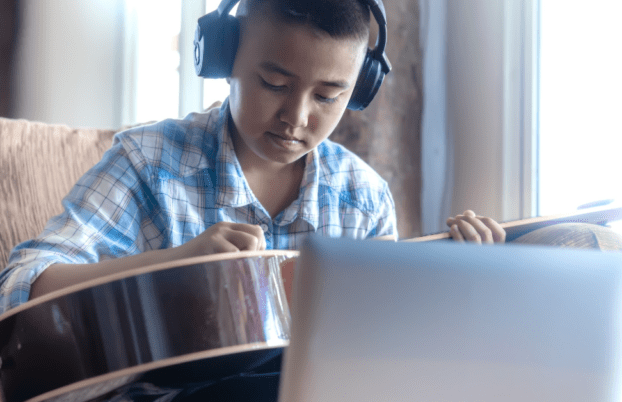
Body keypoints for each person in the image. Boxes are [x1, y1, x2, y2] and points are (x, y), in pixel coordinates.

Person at [0, 0, 505, 399]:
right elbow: (25, 283)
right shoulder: (147, 161)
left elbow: (381, 350)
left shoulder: (364, 196)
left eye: (328, 96)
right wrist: (174, 267)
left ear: (360, 88)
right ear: (222, 56)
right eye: (274, 83)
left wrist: (458, 290)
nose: (296, 116)